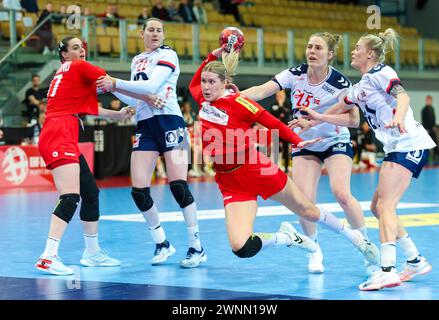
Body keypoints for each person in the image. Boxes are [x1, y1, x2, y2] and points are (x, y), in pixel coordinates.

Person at [185, 45, 379, 267]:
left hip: (255, 169)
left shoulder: (238, 102)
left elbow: (273, 122)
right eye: (205, 82)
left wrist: (298, 141)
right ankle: (288, 238)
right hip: (229, 181)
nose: (206, 87)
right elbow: (194, 81)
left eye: (212, 82)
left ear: (224, 82)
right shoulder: (201, 98)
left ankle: (356, 239)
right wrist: (214, 54)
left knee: (307, 210)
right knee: (241, 247)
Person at [298, 28, 435, 291]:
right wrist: (315, 117)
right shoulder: (361, 86)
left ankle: (387, 270)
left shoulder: (382, 72)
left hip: (409, 143)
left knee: (385, 207)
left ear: (369, 54)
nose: (353, 51)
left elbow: (402, 96)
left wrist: (399, 116)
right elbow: (343, 105)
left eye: (357, 47)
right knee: (377, 207)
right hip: (396, 147)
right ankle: (415, 260)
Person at [241, 32, 375, 275]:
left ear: (330, 55)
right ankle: (314, 250)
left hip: (334, 140)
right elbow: (261, 91)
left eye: (318, 48)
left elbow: (354, 120)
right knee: (304, 201)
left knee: (342, 193)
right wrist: (232, 96)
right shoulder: (295, 73)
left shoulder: (341, 83)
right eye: (309, 46)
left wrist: (320, 119)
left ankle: (365, 245)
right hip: (304, 144)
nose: (312, 51)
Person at [96, 18, 206, 268]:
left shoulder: (169, 54)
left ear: (163, 34)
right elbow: (138, 97)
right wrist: (111, 89)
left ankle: (196, 246)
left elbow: (151, 86)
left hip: (171, 122)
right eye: (151, 29)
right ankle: (162, 242)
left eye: (159, 30)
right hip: (146, 125)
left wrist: (115, 82)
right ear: (142, 33)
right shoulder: (137, 60)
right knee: (139, 190)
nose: (155, 33)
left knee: (178, 186)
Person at [35, 36, 134, 275]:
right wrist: (147, 95)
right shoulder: (77, 66)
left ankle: (91, 253)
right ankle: (48, 257)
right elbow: (109, 82)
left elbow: (85, 107)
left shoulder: (66, 74)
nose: (82, 51)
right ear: (64, 55)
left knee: (90, 193)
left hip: (62, 131)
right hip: (60, 132)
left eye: (83, 47)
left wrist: (117, 116)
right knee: (70, 197)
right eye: (76, 47)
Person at [269, 90, 291, 173]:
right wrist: (280, 111)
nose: (280, 96)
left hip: (284, 130)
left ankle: (286, 167)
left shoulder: (287, 105)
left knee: (285, 148)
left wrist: (281, 105)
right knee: (276, 149)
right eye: (278, 95)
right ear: (276, 95)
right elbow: (273, 117)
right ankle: (276, 167)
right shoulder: (273, 105)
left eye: (282, 95)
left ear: (284, 96)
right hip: (275, 130)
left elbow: (286, 116)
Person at [421, 95, 439, 161]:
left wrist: (434, 126)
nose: (429, 101)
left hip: (432, 128)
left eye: (430, 100)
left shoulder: (432, 108)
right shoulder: (424, 110)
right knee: (426, 143)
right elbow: (423, 120)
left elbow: (433, 118)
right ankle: (425, 157)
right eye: (428, 100)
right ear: (426, 101)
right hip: (427, 129)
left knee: (435, 142)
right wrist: (425, 129)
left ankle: (438, 155)